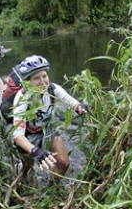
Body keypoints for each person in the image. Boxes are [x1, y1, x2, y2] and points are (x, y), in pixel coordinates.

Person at [12, 55, 89, 184]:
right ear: (28, 82)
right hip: (28, 135)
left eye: (44, 76)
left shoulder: (53, 89)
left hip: (48, 129)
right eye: (36, 78)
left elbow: (71, 101)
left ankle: (51, 187)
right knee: (28, 167)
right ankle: (24, 182)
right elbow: (18, 136)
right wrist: (35, 151)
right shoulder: (22, 98)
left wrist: (80, 107)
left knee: (64, 163)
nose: (43, 82)